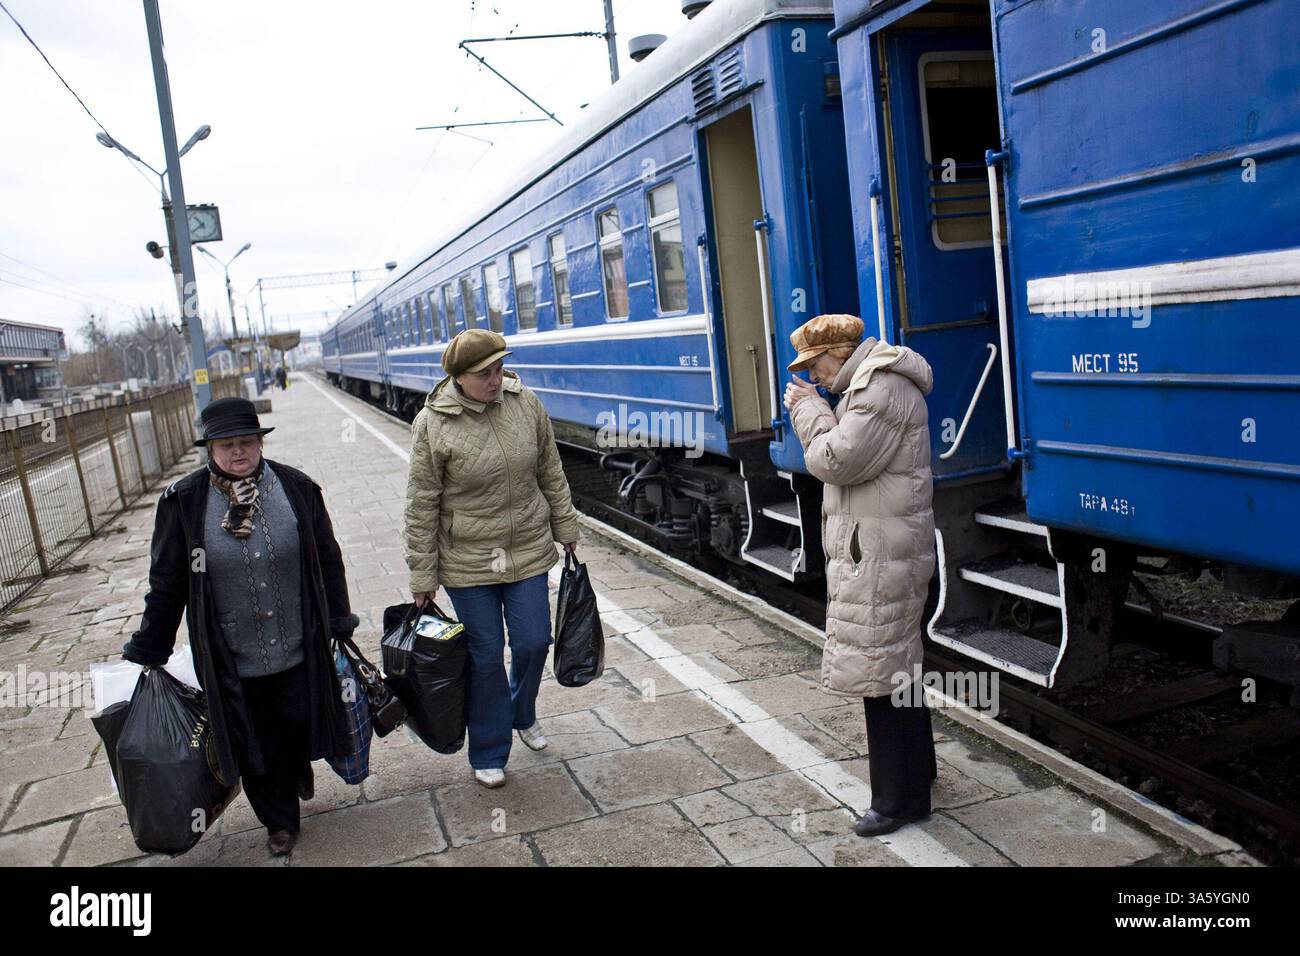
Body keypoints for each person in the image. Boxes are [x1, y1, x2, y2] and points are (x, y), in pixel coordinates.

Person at [122, 396, 358, 856]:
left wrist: (337, 617)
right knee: (256, 742)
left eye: (246, 442)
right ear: (209, 448)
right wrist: (152, 643)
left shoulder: (296, 489)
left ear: (259, 443)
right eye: (225, 444)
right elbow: (167, 582)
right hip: (231, 655)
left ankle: (293, 771)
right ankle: (278, 820)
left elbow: (327, 557)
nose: (237, 452)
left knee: (296, 723)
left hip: (298, 643)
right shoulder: (184, 503)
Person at [783, 313, 939, 837]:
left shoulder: (878, 388)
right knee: (899, 666)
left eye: (816, 364)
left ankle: (895, 802)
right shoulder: (878, 383)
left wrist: (809, 411)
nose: (815, 375)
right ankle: (917, 782)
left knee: (881, 671)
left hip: (881, 555)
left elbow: (835, 461)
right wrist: (821, 404)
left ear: (841, 351)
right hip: (885, 548)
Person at [404, 328, 581, 789]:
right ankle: (488, 748)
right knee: (485, 657)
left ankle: (522, 713)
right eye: (485, 374)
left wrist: (566, 528)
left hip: (525, 548)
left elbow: (550, 470)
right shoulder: (432, 424)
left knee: (533, 641)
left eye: (500, 369)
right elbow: (422, 503)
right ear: (459, 379)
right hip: (467, 559)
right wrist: (422, 574)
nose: (497, 380)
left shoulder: (526, 404)